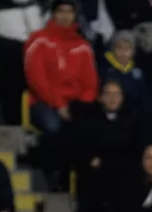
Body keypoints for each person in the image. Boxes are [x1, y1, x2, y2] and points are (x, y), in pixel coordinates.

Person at [23, 0, 97, 188]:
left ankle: (81, 183)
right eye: (61, 11)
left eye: (69, 12)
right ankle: (54, 172)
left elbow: (90, 83)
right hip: (43, 101)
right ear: (53, 14)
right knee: (55, 127)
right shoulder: (38, 40)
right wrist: (58, 104)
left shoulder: (82, 46)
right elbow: (36, 78)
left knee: (90, 129)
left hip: (74, 103)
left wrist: (79, 107)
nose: (65, 16)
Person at [72, 80, 140, 212]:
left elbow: (132, 149)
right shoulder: (87, 119)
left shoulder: (131, 118)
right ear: (100, 97)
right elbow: (80, 150)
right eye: (108, 94)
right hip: (94, 186)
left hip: (122, 182)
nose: (112, 98)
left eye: (116, 94)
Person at [99, 31, 148, 112]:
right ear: (113, 49)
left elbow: (142, 96)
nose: (123, 52)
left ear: (133, 51)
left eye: (127, 48)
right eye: (119, 48)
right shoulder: (104, 69)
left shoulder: (137, 72)